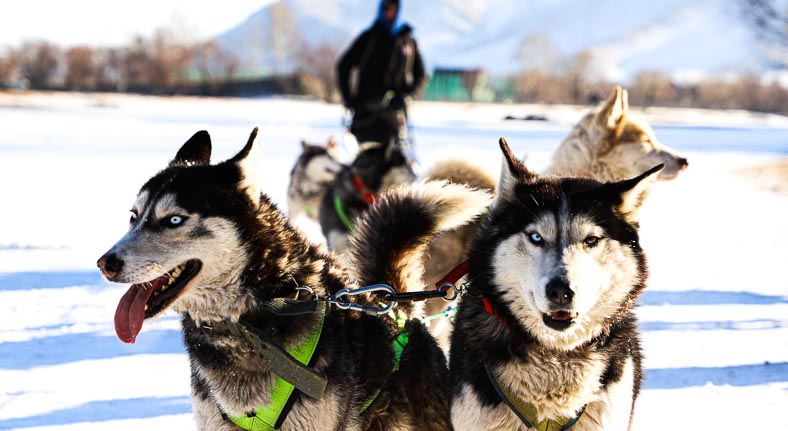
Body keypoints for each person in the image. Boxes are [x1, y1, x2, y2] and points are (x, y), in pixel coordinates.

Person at [337, 0, 425, 145]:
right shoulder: (369, 38)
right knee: (365, 160)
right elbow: (343, 66)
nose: (389, 12)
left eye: (393, 8)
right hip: (366, 115)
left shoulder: (408, 41)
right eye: (386, 8)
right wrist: (350, 100)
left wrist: (406, 96)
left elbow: (421, 75)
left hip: (395, 116)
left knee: (395, 161)